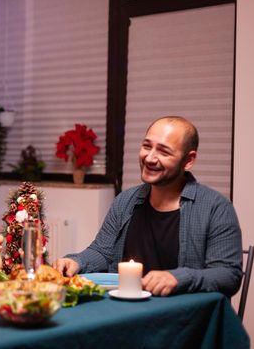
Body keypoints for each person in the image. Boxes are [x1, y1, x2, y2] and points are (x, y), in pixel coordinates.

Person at [54, 116, 243, 297]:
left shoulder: (216, 208)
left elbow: (228, 275)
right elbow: (102, 252)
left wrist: (178, 278)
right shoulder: (125, 201)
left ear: (188, 160)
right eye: (146, 146)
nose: (150, 158)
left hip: (184, 318)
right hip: (126, 311)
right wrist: (76, 262)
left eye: (164, 151)